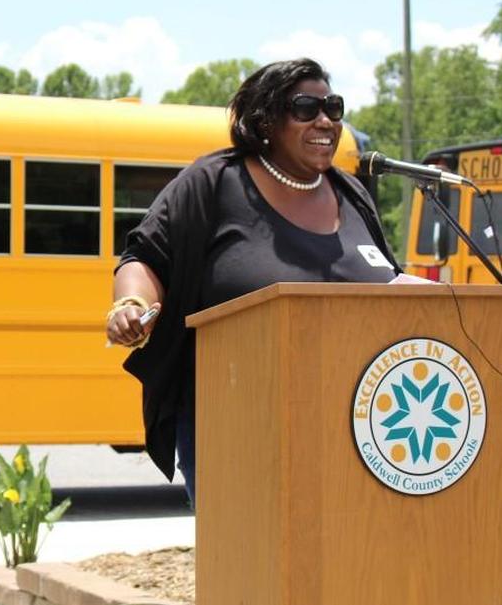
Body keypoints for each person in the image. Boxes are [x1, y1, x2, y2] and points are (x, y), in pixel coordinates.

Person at [105, 58, 401, 505]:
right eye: (306, 108)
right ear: (265, 121)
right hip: (234, 422)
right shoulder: (213, 184)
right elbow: (145, 257)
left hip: (359, 424)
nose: (325, 121)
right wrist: (130, 304)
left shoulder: (352, 194)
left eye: (333, 108)